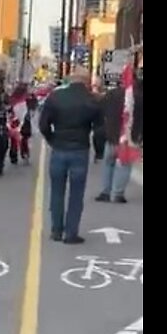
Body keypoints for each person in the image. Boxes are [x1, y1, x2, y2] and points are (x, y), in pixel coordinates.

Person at [39, 67, 103, 243]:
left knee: (57, 192)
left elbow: (43, 124)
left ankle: (56, 230)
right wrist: (99, 152)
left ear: (70, 79)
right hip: (80, 149)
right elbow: (99, 130)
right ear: (87, 81)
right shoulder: (92, 100)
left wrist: (52, 139)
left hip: (59, 147)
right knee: (76, 194)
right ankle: (71, 233)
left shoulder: (55, 97)